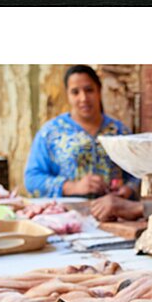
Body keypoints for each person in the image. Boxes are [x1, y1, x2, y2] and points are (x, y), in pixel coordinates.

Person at [24, 65, 138, 204]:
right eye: (75, 92)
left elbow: (137, 174)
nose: (83, 98)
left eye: (89, 90)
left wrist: (128, 189)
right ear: (67, 95)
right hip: (67, 218)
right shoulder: (51, 132)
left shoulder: (120, 132)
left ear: (99, 90)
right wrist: (72, 187)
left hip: (116, 217)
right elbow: (32, 179)